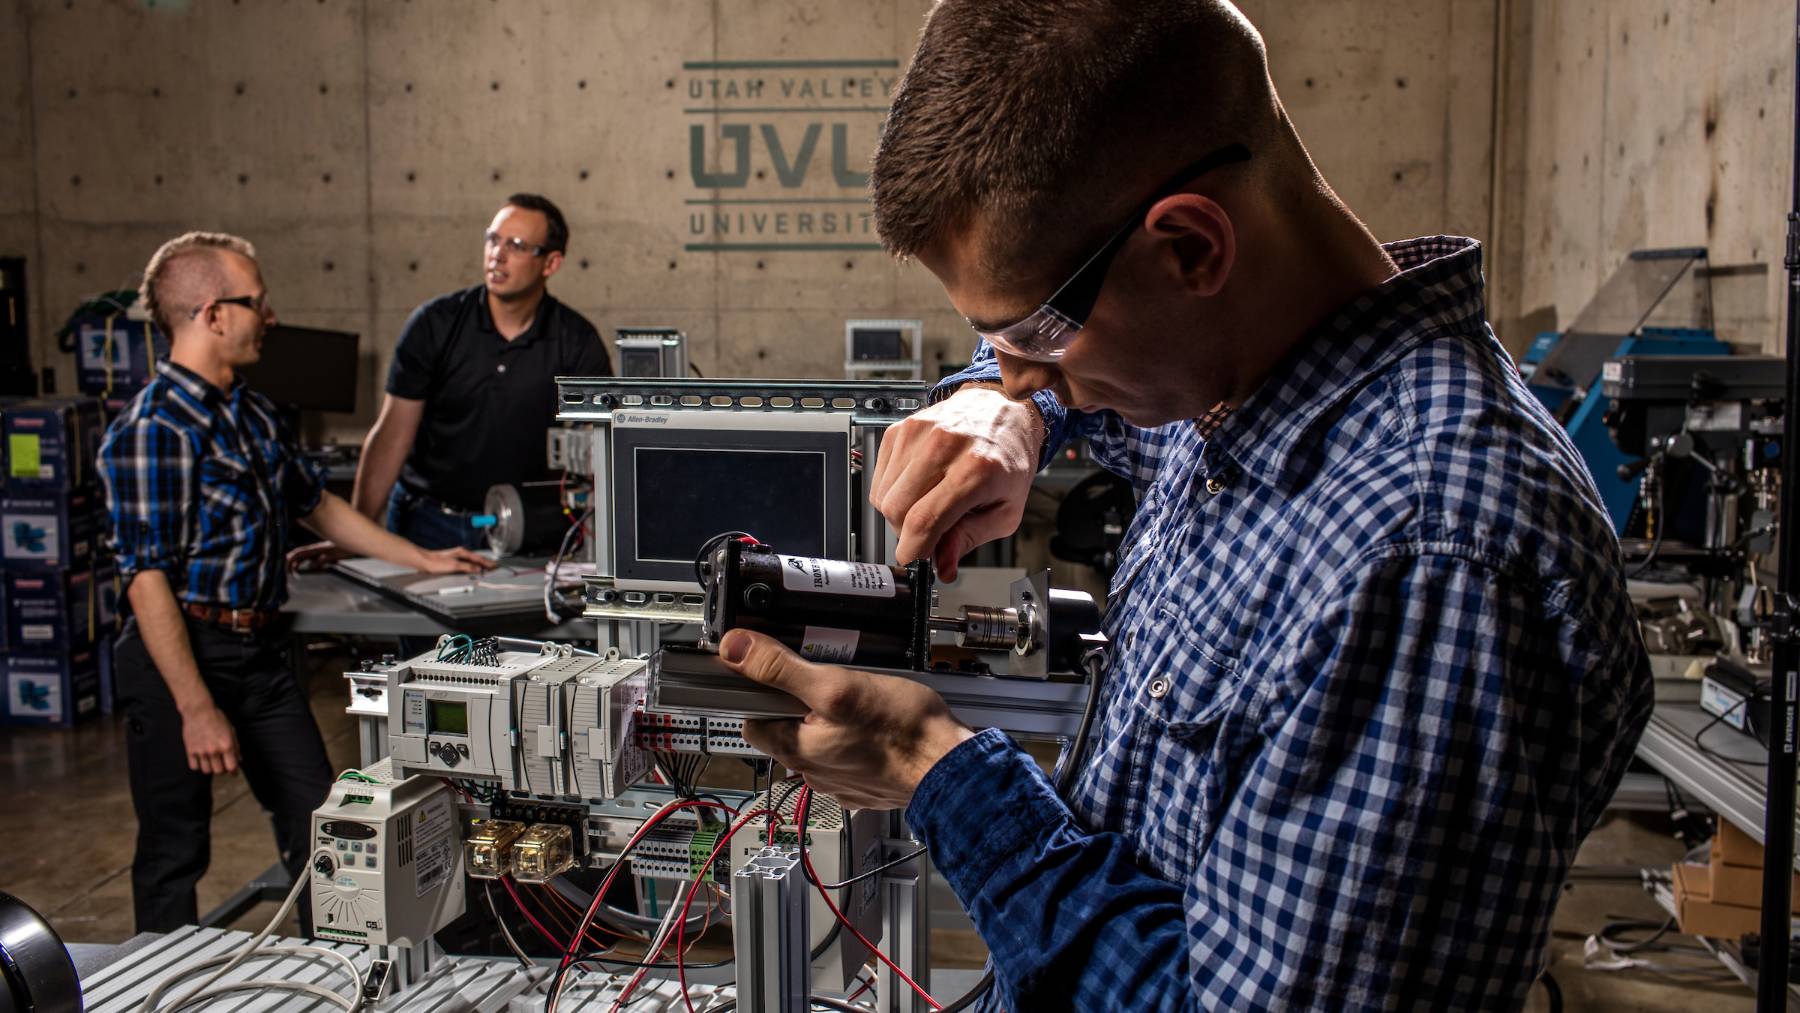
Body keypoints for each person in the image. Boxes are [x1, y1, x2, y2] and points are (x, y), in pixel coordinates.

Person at [715, 2, 1655, 1009]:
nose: (1023, 375)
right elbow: (1096, 393)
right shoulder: (1240, 379)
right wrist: (999, 410)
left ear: (1194, 249)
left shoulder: (1429, 556)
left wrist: (932, 769)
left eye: (1028, 337)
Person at [98, 231, 493, 932]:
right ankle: (158, 982)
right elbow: (146, 579)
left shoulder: (249, 410)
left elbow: (316, 503)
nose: (270, 317)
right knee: (173, 849)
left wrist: (421, 558)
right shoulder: (152, 428)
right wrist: (195, 708)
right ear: (213, 313)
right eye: (258, 302)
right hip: (179, 656)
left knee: (324, 823)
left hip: (260, 653)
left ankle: (333, 973)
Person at [335, 193, 611, 554]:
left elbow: (602, 450)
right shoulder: (435, 324)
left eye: (516, 245)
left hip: (527, 528)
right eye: (493, 239)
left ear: (550, 263)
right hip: (428, 522)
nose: (497, 254)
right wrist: (356, 536)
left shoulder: (576, 341)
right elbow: (391, 437)